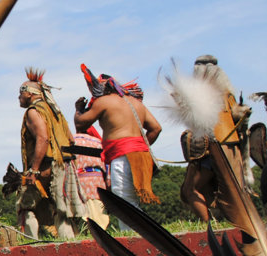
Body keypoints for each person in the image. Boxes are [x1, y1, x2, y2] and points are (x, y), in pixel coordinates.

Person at [175, 55, 253, 221]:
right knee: (217, 189)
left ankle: (208, 225)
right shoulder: (228, 95)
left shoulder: (200, 95)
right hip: (230, 148)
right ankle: (219, 221)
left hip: (209, 149)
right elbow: (239, 119)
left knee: (190, 190)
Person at [74, 66, 162, 209]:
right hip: (141, 156)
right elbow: (156, 128)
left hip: (123, 155)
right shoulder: (134, 102)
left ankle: (133, 231)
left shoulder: (103, 101)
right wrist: (140, 147)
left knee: (123, 198)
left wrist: (78, 109)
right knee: (130, 198)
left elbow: (81, 123)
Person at [17, 69, 88, 240]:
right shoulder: (56, 112)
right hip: (63, 164)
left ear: (29, 94)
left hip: (44, 166)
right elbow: (70, 140)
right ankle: (69, 244)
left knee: (25, 207)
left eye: (20, 93)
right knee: (61, 208)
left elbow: (43, 138)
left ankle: (30, 245)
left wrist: (34, 170)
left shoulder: (34, 112)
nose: (18, 97)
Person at [71, 120, 110, 230]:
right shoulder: (99, 143)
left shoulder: (71, 141)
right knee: (99, 217)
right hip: (97, 182)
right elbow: (107, 165)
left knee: (80, 216)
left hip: (77, 181)